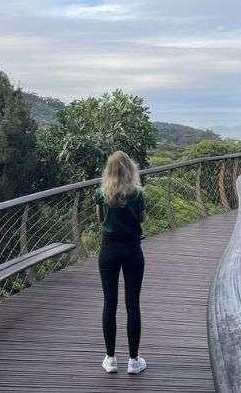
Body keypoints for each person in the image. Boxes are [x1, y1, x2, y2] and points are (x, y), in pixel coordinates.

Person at [93, 151, 147, 375]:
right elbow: (142, 218)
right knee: (132, 304)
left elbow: (99, 219)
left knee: (109, 303)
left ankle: (111, 358)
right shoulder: (137, 194)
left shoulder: (101, 193)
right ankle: (134, 361)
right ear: (130, 169)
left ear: (109, 169)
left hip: (109, 249)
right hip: (132, 249)